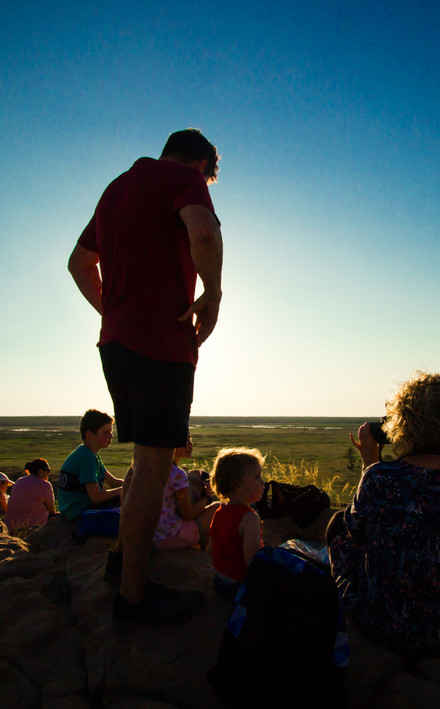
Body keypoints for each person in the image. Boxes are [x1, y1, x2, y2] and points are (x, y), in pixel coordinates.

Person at [68, 128, 223, 625]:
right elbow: (203, 231)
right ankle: (134, 599)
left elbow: (79, 263)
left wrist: (109, 308)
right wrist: (213, 296)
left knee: (142, 461)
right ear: (202, 165)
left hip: (116, 342)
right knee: (155, 468)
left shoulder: (117, 187)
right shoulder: (185, 178)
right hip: (160, 344)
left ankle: (121, 560)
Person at [327, 372, 440, 653]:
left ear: (401, 423)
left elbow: (356, 528)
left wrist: (369, 463)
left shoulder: (380, 478)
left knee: (337, 526)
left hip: (383, 623)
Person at [208, 447, 266, 602]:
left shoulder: (220, 512)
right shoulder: (249, 518)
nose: (263, 482)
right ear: (236, 484)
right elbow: (252, 562)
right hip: (238, 586)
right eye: (257, 477)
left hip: (219, 581)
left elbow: (212, 547)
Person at [57, 410, 124, 522]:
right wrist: (121, 490)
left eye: (111, 432)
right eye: (106, 432)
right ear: (89, 435)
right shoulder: (87, 458)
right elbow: (96, 497)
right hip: (78, 512)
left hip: (74, 509)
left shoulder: (89, 454)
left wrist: (134, 485)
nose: (111, 436)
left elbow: (113, 482)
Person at [153, 437, 219, 550]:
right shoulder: (177, 474)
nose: (190, 444)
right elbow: (188, 515)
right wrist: (207, 497)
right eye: (185, 440)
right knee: (218, 507)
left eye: (190, 439)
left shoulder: (150, 467)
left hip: (151, 532)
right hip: (169, 535)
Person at [5, 458, 56, 533]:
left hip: (12, 526)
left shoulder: (19, 481)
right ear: (40, 471)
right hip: (33, 527)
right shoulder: (45, 485)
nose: (49, 473)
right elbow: (51, 510)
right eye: (48, 470)